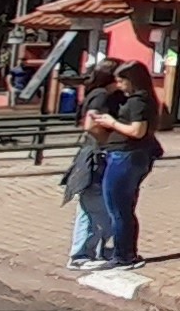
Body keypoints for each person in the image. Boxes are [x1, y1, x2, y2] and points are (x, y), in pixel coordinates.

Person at [90, 61, 166, 269]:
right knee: (123, 207)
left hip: (126, 157)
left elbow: (137, 131)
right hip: (127, 155)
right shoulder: (138, 100)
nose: (120, 85)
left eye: (122, 81)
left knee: (118, 208)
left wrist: (110, 122)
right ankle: (124, 252)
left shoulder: (139, 102)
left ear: (133, 80)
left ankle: (124, 255)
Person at [61, 65, 119, 270]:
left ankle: (91, 251)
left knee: (91, 207)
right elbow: (90, 124)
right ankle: (82, 254)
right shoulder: (101, 95)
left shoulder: (98, 93)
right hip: (95, 156)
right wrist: (110, 138)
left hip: (95, 154)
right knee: (95, 208)